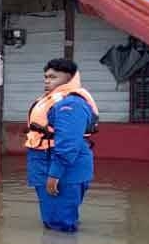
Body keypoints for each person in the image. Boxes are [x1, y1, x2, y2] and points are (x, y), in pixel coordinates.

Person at [26, 58, 99, 233]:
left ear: (69, 78)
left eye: (53, 77)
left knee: (60, 225)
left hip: (62, 170)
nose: (47, 81)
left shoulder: (71, 103)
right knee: (54, 220)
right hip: (45, 164)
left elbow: (68, 143)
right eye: (45, 77)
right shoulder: (54, 100)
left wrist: (54, 174)